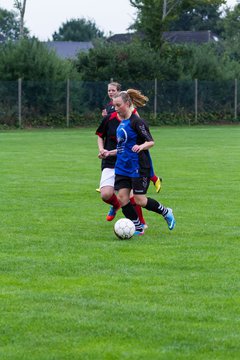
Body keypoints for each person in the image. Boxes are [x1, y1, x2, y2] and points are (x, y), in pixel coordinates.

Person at [106, 89, 175, 235]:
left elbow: (151, 142)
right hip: (122, 167)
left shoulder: (137, 122)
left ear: (128, 103)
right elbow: (122, 148)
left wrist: (141, 146)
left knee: (139, 200)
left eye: (119, 105)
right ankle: (138, 227)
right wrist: (108, 153)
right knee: (122, 198)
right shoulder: (121, 124)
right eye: (114, 106)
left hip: (138, 166)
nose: (116, 109)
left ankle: (166, 211)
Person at [97, 82, 162, 193]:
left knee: (143, 158)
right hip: (119, 142)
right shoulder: (109, 106)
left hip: (132, 142)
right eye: (109, 90)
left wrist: (138, 132)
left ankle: (154, 178)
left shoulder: (130, 111)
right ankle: (108, 185)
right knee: (123, 192)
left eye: (113, 90)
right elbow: (105, 126)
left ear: (119, 92)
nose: (111, 92)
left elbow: (137, 123)